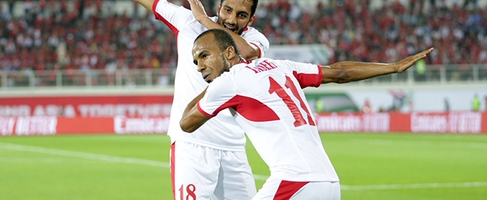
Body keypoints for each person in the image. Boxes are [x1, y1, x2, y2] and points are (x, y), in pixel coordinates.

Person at [76, 0, 270, 199]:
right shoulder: (187, 22)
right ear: (219, 7)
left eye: (241, 15)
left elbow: (247, 54)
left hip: (234, 149)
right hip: (192, 144)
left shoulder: (256, 40)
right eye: (227, 9)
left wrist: (205, 20)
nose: (231, 18)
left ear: (251, 20)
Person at [181, 27, 433, 199]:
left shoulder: (229, 83)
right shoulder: (282, 66)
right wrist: (393, 67)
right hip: (329, 184)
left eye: (204, 56)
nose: (200, 66)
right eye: (195, 62)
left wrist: (211, 86)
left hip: (295, 182)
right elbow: (340, 72)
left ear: (228, 52)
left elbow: (186, 123)